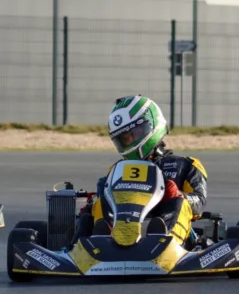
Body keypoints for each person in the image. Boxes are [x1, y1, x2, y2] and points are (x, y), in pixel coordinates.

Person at [79, 95, 207, 245]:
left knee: (179, 203)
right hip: (121, 229)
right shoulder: (117, 170)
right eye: (124, 139)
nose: (129, 141)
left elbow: (199, 203)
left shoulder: (186, 165)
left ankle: (164, 242)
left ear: (151, 125)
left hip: (169, 235)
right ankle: (100, 242)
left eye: (133, 134)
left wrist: (179, 195)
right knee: (100, 202)